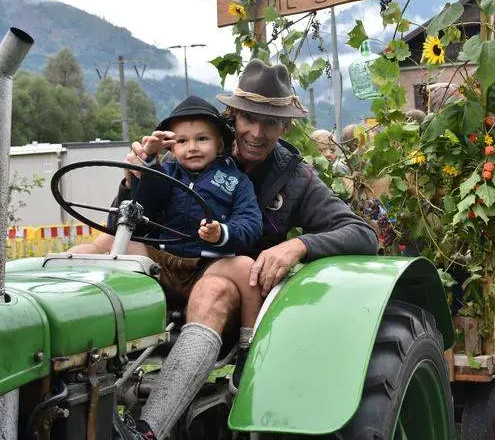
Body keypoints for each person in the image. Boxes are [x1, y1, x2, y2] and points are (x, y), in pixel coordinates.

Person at [118, 60, 378, 440]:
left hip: (233, 284)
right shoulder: (184, 155)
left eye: (271, 122)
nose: (257, 132)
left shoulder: (296, 178)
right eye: (249, 119)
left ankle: (149, 429)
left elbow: (361, 233)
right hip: (166, 272)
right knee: (104, 253)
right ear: (233, 116)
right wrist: (134, 178)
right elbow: (122, 223)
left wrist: (298, 245)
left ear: (285, 127)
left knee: (216, 287)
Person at [70, 96, 264, 390]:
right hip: (160, 262)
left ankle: (250, 344)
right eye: (182, 141)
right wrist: (145, 165)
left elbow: (251, 224)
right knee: (105, 247)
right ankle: (80, 317)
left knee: (246, 267)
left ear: (220, 144)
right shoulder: (165, 174)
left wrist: (222, 232)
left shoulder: (235, 181)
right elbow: (141, 204)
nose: (192, 147)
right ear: (171, 146)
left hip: (207, 265)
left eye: (202, 139)